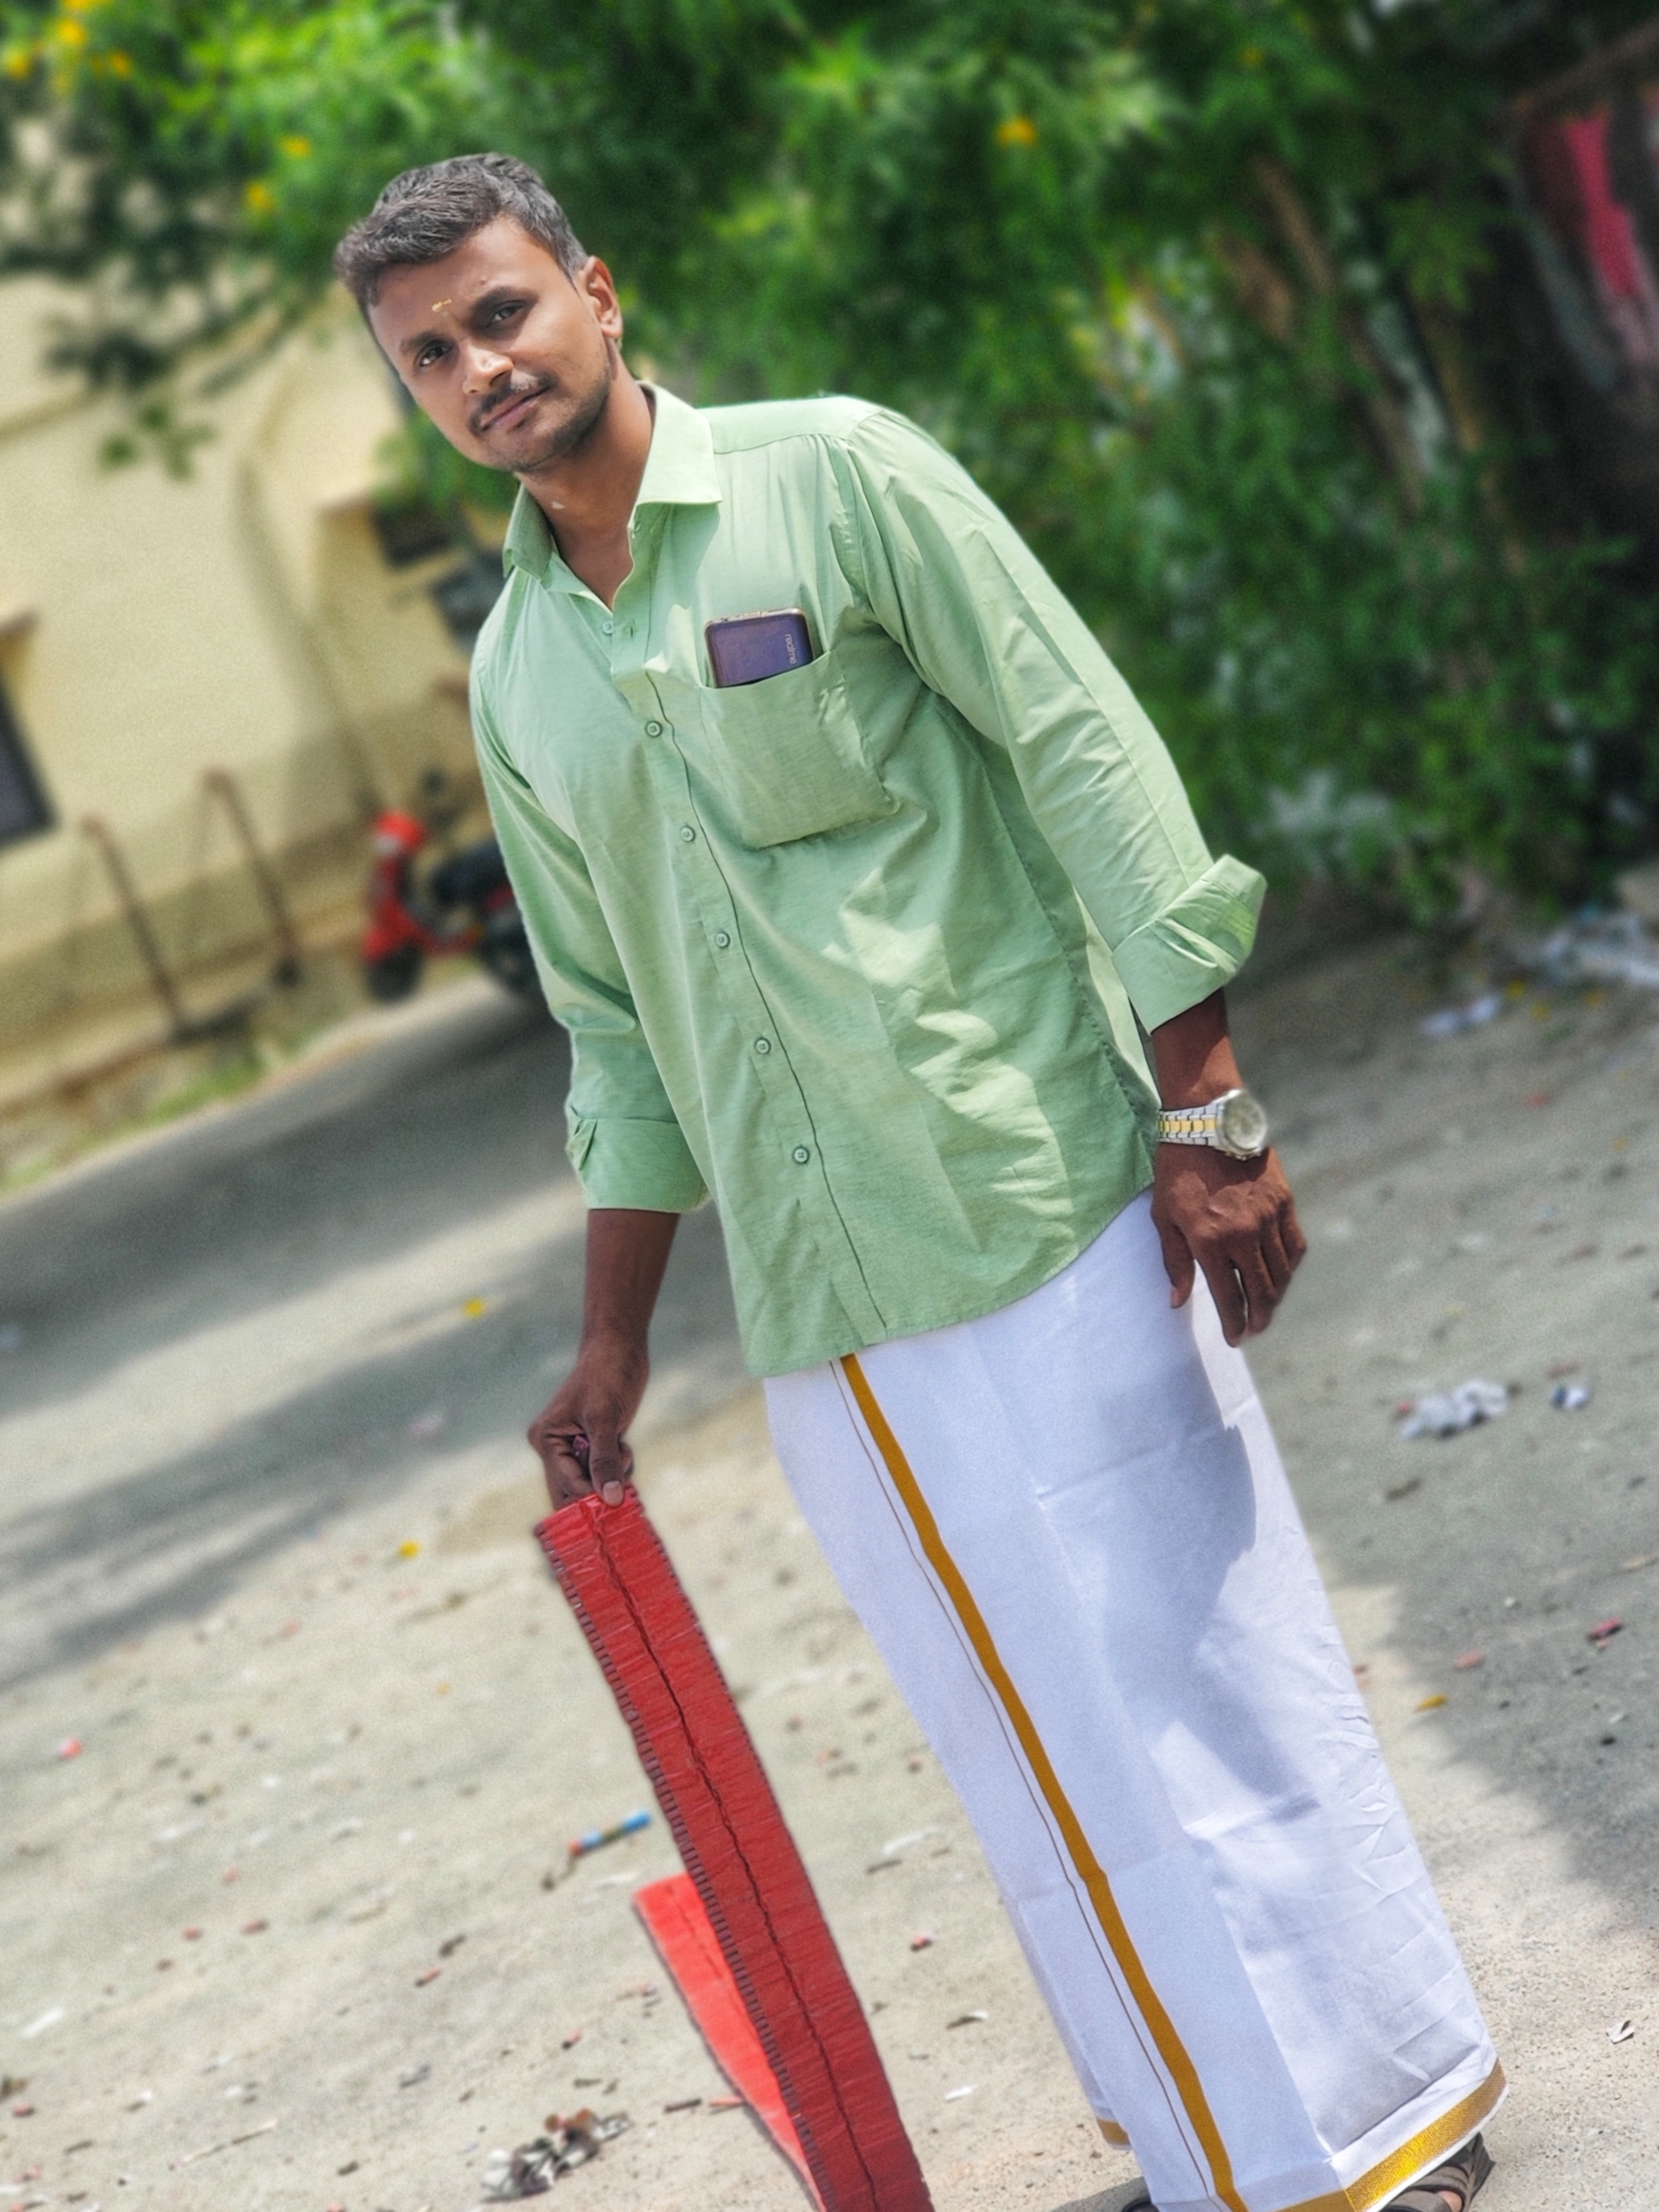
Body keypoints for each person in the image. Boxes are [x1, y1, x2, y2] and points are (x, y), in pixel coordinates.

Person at [335, 154, 1500, 2212]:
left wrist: (1211, 1108)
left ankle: (1393, 2129)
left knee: (1206, 1684)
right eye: (429, 354)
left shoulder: (838, 477)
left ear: (596, 289)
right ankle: (1210, 2155)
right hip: (823, 1315)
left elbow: (1082, 749)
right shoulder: (517, 673)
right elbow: (613, 1028)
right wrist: (613, 1346)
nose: (480, 368)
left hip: (1044, 1202)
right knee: (1021, 1745)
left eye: (501, 312)